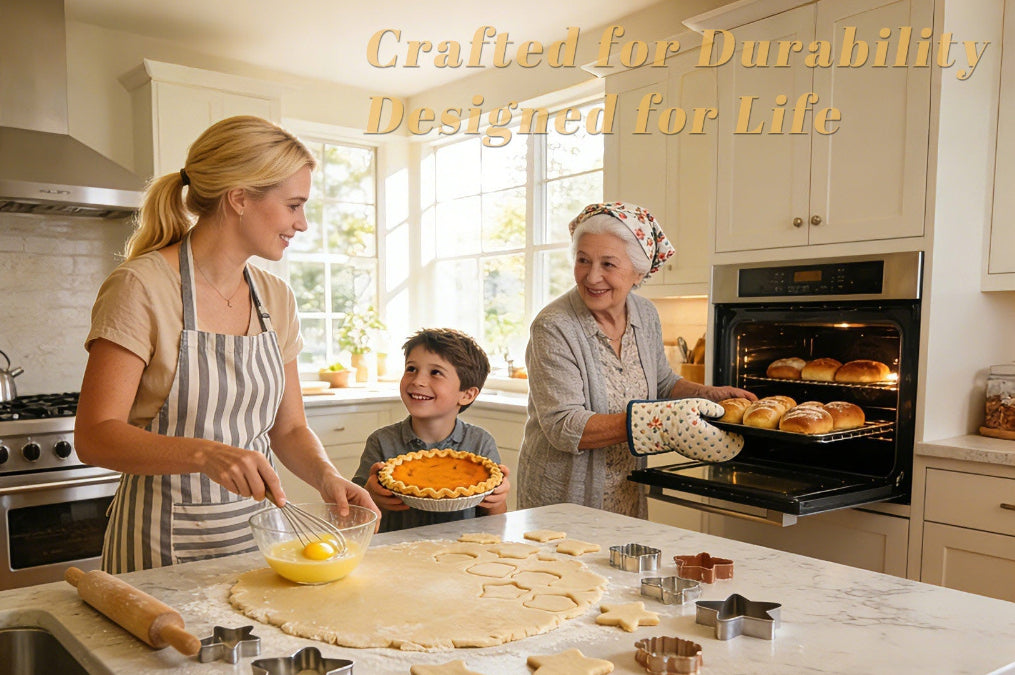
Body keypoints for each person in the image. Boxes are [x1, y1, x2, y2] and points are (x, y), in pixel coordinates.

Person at [75, 115, 377, 573]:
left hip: (258, 541)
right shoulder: (141, 286)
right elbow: (94, 436)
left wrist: (327, 477)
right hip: (160, 547)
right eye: (294, 205)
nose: (303, 223)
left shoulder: (276, 296)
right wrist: (204, 454)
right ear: (239, 199)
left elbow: (290, 428)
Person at [518, 202, 755, 517]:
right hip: (564, 500)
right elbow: (565, 427)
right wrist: (660, 420)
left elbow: (661, 382)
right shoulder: (555, 326)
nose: (592, 276)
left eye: (608, 264)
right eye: (583, 260)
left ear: (639, 270)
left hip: (625, 490)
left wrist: (706, 393)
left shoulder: (645, 313)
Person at [353, 328, 511, 532]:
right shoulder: (382, 442)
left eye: (435, 372)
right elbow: (352, 516)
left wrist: (497, 501)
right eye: (411, 369)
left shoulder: (479, 443)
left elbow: (494, 524)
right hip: (396, 555)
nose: (418, 380)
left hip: (460, 553)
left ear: (467, 394)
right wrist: (371, 496)